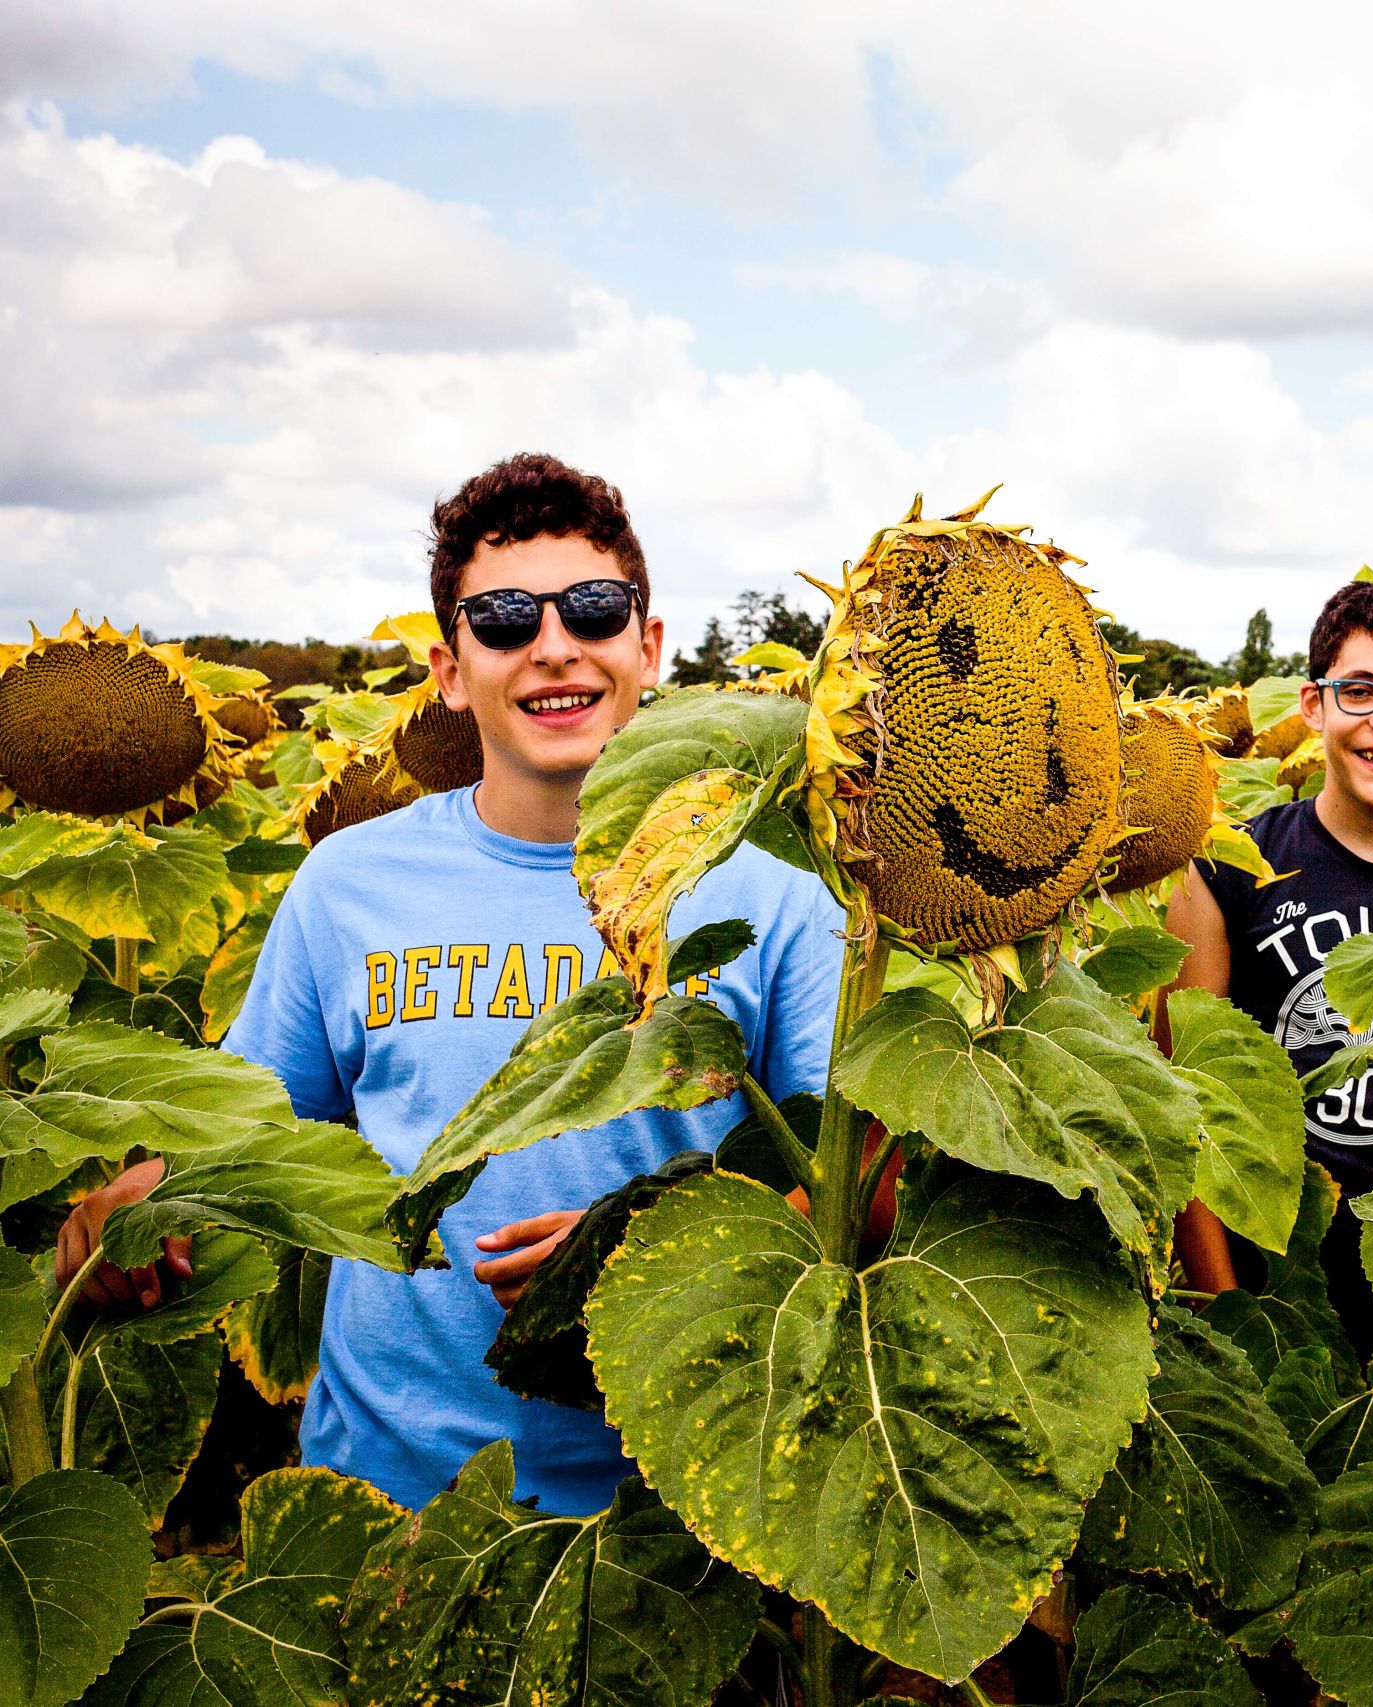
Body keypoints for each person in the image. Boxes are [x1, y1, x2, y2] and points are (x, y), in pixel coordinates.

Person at [56, 453, 843, 1514]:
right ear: (448, 666)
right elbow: (252, 1137)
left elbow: (853, 1182)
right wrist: (135, 1208)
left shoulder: (770, 887)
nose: (553, 647)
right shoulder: (351, 885)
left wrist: (661, 1254)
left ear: (647, 646)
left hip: (679, 1505)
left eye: (594, 610)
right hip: (386, 1501)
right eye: (506, 620)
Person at [1163, 580, 1373, 1354]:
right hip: (1279, 1288)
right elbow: (1186, 1104)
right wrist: (1231, 1318)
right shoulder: (1232, 868)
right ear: (1314, 707)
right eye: (1359, 691)